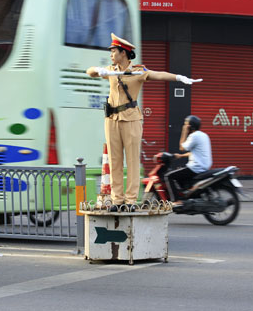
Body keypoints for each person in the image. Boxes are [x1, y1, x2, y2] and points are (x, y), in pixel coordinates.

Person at [86, 33, 202, 209]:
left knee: (132, 161)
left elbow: (159, 75)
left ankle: (131, 200)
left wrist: (179, 77)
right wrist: (98, 70)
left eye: (114, 51)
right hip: (111, 119)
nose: (111, 54)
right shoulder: (111, 70)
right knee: (115, 160)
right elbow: (90, 71)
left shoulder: (138, 71)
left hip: (131, 119)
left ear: (123, 53)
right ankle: (117, 200)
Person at [164, 115, 212, 206]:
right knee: (181, 173)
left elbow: (182, 147)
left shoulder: (194, 136)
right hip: (204, 166)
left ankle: (177, 200)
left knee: (168, 176)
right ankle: (187, 196)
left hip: (195, 167)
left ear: (190, 126)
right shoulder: (203, 135)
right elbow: (196, 152)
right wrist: (181, 156)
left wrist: (184, 131)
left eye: (186, 125)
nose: (185, 126)